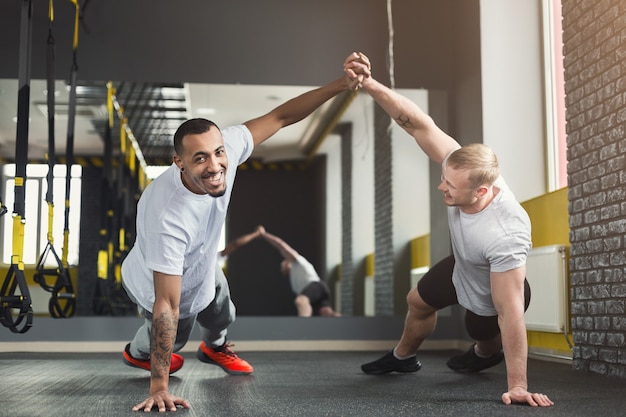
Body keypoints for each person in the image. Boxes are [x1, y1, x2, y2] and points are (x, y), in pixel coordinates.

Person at [120, 53, 364, 413]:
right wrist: (159, 385)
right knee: (172, 336)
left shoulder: (227, 151)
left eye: (218, 153)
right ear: (180, 162)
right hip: (159, 282)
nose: (215, 165)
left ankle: (214, 347)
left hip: (201, 263)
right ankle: (136, 352)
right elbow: (166, 305)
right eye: (200, 158)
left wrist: (340, 85)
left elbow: (281, 116)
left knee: (222, 310)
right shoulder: (167, 215)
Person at [345, 53, 554, 408]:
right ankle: (403, 357)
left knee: (482, 334)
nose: (442, 188)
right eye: (444, 178)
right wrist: (368, 84)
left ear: (482, 192)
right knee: (417, 301)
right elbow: (417, 123)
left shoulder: (506, 231)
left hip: (495, 281)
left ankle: (486, 354)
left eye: (451, 186)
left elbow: (512, 314)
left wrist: (518, 386)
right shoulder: (466, 169)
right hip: (463, 266)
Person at [258, 226, 340, 317]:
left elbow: (281, 245)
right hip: (317, 292)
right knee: (326, 313)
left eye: (283, 264)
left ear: (288, 263)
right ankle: (345, 321)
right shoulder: (294, 282)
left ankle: (303, 327)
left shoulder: (296, 261)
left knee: (301, 300)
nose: (282, 267)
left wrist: (264, 235)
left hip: (316, 286)